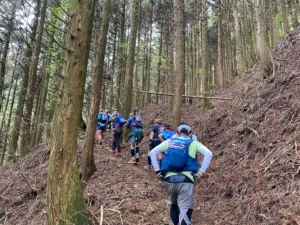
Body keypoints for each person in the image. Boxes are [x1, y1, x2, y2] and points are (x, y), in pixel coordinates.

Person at [150, 123, 213, 225]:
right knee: (185, 211)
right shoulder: (193, 143)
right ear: (190, 133)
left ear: (177, 133)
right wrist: (200, 173)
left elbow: (153, 152)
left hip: (169, 180)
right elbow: (209, 154)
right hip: (186, 181)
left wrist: (158, 171)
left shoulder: (169, 142)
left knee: (174, 205)